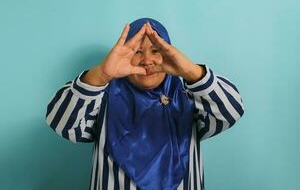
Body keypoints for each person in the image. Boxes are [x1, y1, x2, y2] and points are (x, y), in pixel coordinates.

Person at [45, 17, 245, 190]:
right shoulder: (101, 100)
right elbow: (62, 123)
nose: (147, 60)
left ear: (170, 52)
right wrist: (101, 75)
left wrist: (190, 71)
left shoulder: (191, 97)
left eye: (156, 50)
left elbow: (231, 110)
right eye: (137, 52)